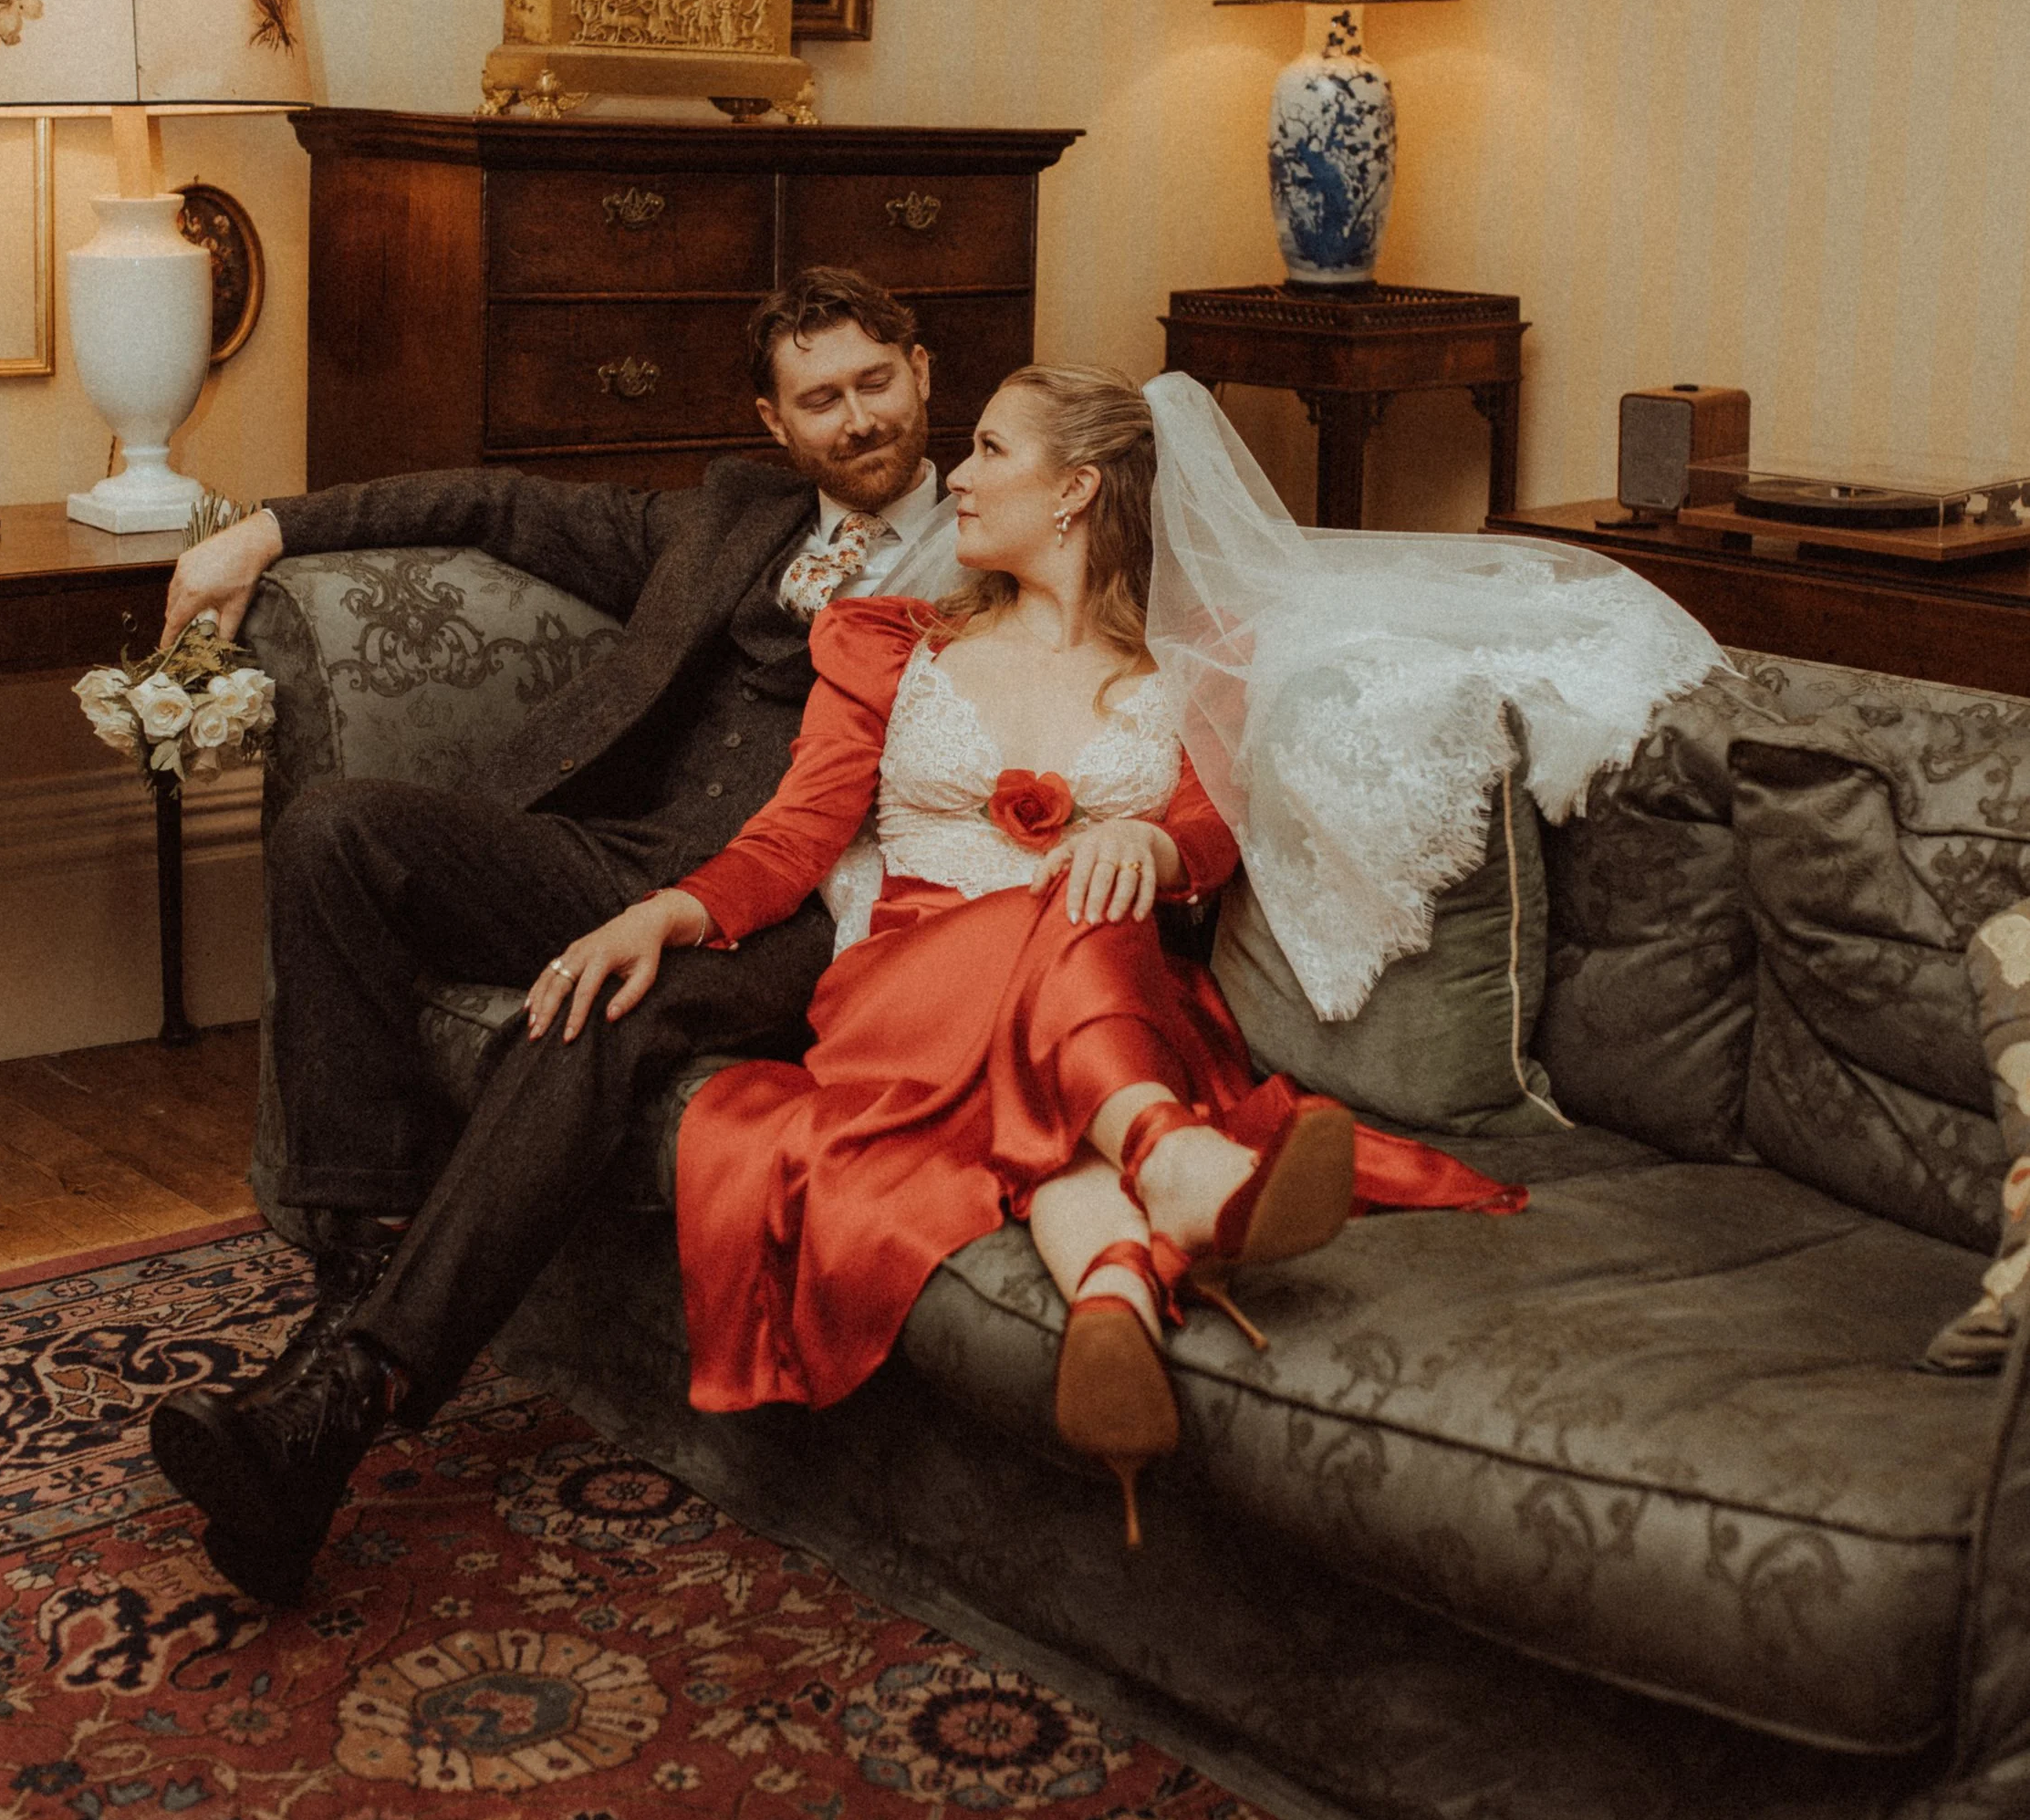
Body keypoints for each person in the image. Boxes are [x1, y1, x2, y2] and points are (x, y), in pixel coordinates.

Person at [526, 370, 1540, 1545]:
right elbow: (798, 831)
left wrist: (1152, 838)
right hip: (909, 988)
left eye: (989, 450)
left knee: (1077, 952)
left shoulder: (1197, 657)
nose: (951, 475)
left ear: (1074, 491)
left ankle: (1110, 1297)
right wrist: (670, 912)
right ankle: (1176, 1160)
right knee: (1055, 926)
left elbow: (1217, 826)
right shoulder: (887, 643)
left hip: (1105, 1001)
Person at [146, 267, 963, 1605]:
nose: (860, 418)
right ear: (775, 422)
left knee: (601, 1007)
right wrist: (260, 534)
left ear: (923, 370)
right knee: (336, 828)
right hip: (617, 852)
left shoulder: (995, 532)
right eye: (823, 399)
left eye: (879, 381)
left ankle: (339, 1397)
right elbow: (492, 504)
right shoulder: (731, 518)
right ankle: (355, 1268)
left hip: (808, 907)